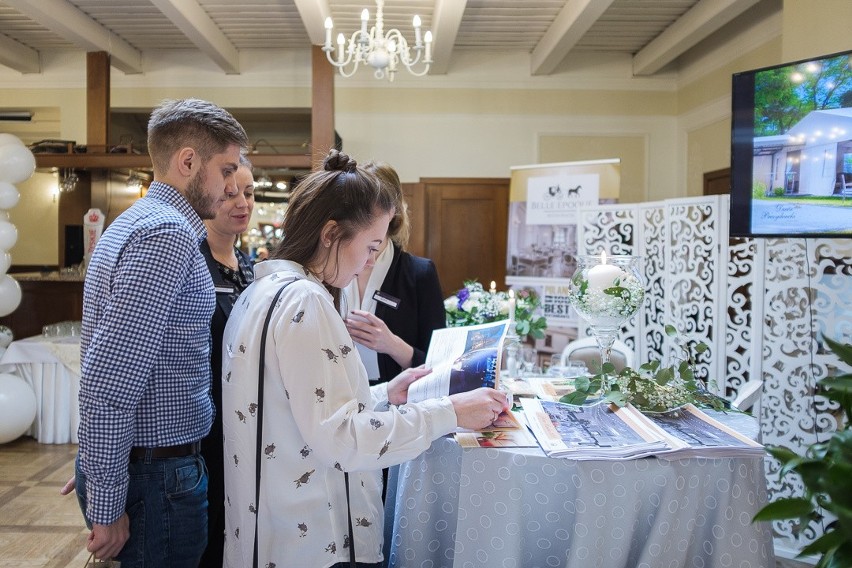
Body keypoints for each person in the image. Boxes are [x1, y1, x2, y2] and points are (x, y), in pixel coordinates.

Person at [221, 149, 508, 568]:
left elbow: (301, 411)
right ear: (331, 233)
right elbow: (341, 440)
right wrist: (449, 412)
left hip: (273, 530)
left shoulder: (262, 289)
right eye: (371, 246)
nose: (370, 262)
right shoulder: (305, 300)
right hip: (313, 537)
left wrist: (382, 395)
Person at [74, 98, 248, 566]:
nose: (232, 186)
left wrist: (95, 462)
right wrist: (108, 501)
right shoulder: (166, 234)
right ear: (188, 161)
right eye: (226, 169)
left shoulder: (138, 221)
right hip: (156, 475)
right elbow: (110, 380)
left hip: (148, 467)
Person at [199, 155, 256, 566]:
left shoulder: (251, 270)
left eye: (250, 193)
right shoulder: (193, 265)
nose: (243, 203)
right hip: (201, 435)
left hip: (245, 431)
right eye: (231, 193)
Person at [342, 161, 446, 385]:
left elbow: (439, 364)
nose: (365, 217)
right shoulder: (332, 270)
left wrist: (392, 345)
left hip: (398, 399)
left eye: (374, 207)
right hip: (337, 393)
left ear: (393, 210)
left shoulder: (420, 274)